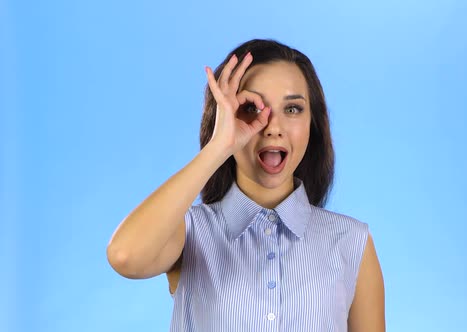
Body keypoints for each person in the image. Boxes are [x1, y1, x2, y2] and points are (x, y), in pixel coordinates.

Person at [107, 39, 385, 331]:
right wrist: (219, 147)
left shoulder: (352, 241)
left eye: (292, 109)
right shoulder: (189, 232)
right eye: (251, 107)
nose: (273, 127)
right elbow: (125, 256)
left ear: (312, 123)